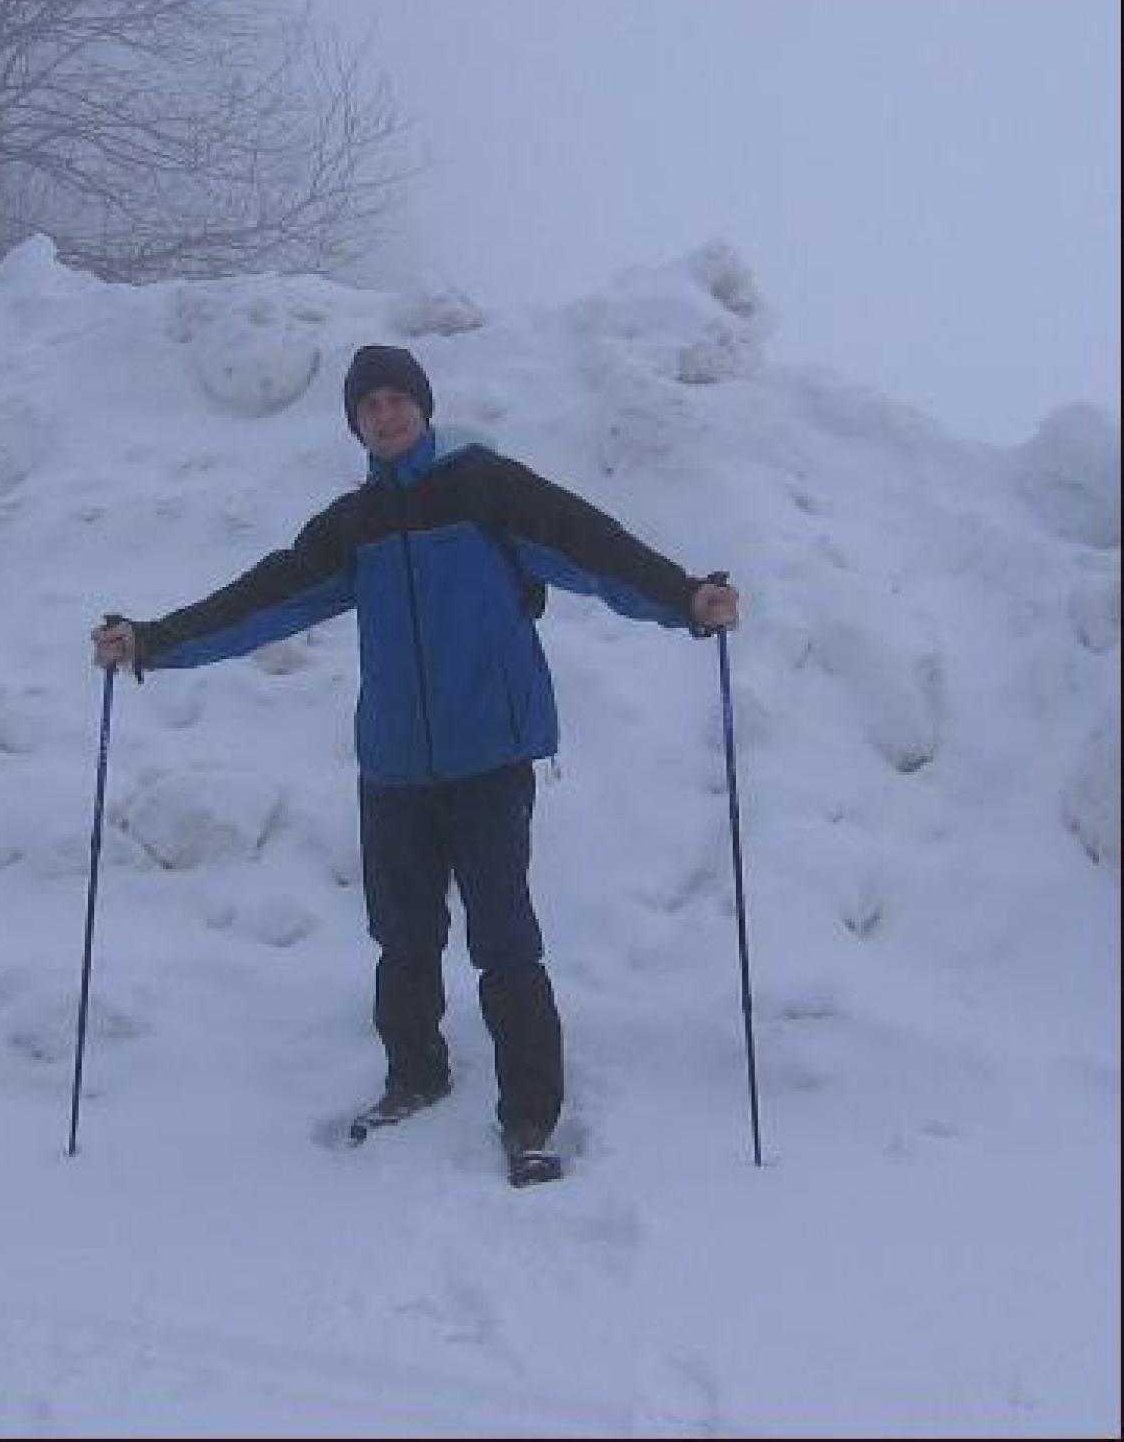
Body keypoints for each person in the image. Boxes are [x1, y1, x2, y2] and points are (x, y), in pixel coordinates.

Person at [91, 343, 739, 1187]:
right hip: (393, 766)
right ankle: (414, 1076)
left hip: (488, 757)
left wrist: (686, 597)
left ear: (424, 409)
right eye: (369, 406)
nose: (386, 415)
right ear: (356, 424)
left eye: (398, 400)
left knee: (504, 938)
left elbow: (593, 547)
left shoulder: (487, 490)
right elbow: (260, 602)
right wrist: (152, 642)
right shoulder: (352, 527)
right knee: (401, 937)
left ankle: (530, 1113)